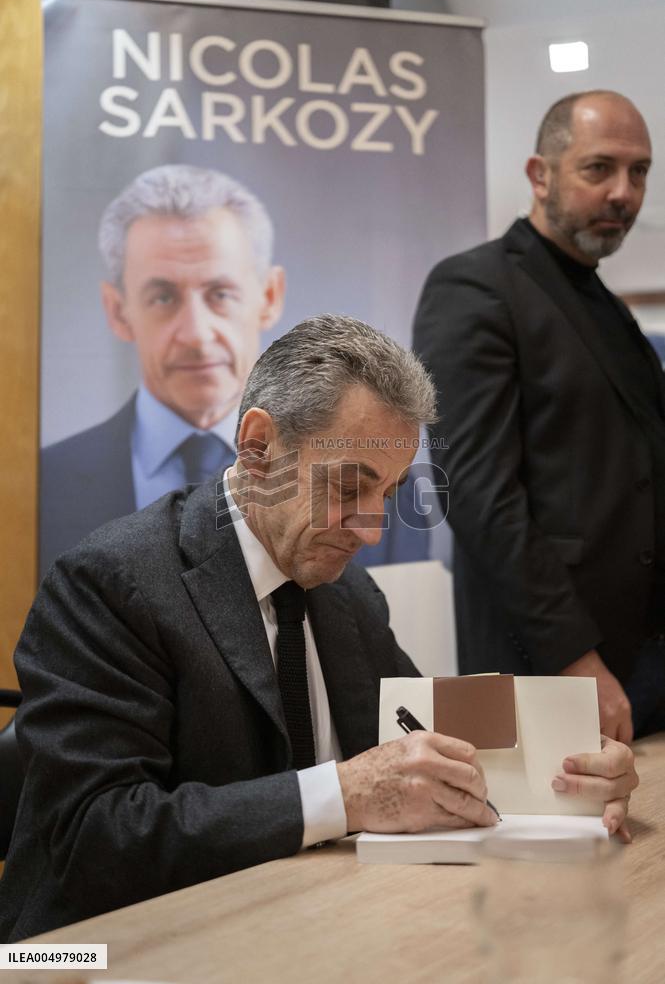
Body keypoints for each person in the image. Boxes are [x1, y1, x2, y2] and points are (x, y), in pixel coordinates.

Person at [0, 316, 637, 941]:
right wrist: (344, 794)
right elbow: (94, 838)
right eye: (348, 487)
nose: (370, 531)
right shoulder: (110, 583)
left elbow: (429, 742)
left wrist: (571, 772)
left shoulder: (349, 592)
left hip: (293, 924)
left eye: (385, 495)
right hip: (86, 953)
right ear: (258, 448)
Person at [413, 90, 665, 743]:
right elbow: (476, 493)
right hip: (554, 664)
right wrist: (573, 659)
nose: (622, 192)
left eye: (638, 172)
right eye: (598, 168)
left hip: (643, 655)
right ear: (539, 173)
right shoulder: (473, 288)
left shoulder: (601, 301)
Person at [39, 164, 428, 574]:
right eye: (163, 297)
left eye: (221, 294)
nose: (196, 334)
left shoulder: (392, 488)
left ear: (269, 296)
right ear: (118, 311)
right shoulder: (46, 486)